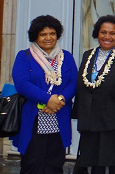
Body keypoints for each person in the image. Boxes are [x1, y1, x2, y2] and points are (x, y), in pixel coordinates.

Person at [10, 14, 77, 174]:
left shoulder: (66, 57)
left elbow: (74, 82)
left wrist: (59, 99)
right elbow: (22, 84)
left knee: (55, 164)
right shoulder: (24, 56)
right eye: (43, 34)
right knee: (32, 164)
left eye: (52, 33)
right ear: (35, 36)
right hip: (33, 118)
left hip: (59, 117)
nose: (48, 38)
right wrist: (47, 100)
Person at [75, 15, 115, 173]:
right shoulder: (88, 55)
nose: (107, 37)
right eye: (103, 32)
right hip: (91, 123)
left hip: (114, 124)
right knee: (94, 166)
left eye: (112, 33)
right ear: (97, 33)